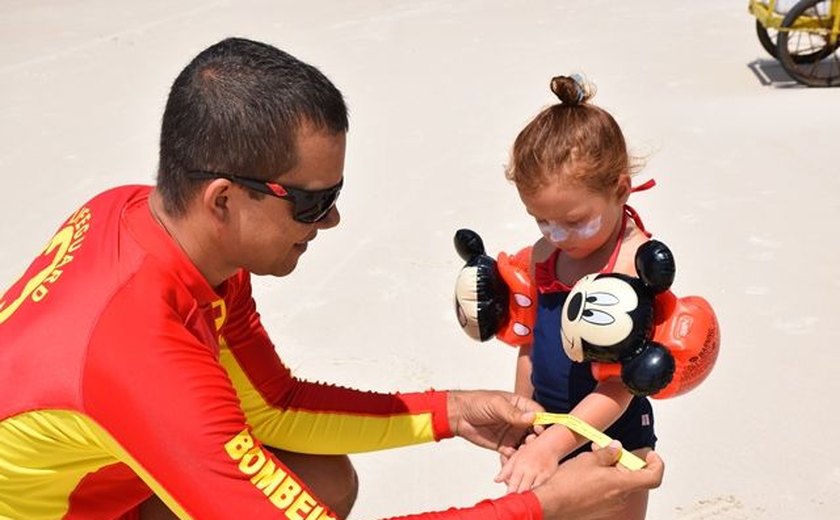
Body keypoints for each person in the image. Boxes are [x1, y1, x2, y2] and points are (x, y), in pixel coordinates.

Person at [0, 39, 663, 519]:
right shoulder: (139, 351)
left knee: (319, 477)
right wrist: (539, 507)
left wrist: (452, 411)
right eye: (313, 201)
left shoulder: (147, 220)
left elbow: (273, 405)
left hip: (114, 470)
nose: (335, 219)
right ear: (224, 200)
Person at [494, 74, 660, 520]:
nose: (557, 236)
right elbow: (530, 341)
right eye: (541, 221)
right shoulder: (546, 255)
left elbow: (621, 384)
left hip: (614, 436)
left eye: (575, 221)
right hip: (546, 429)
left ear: (620, 189)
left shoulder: (631, 265)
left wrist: (552, 446)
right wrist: (520, 417)